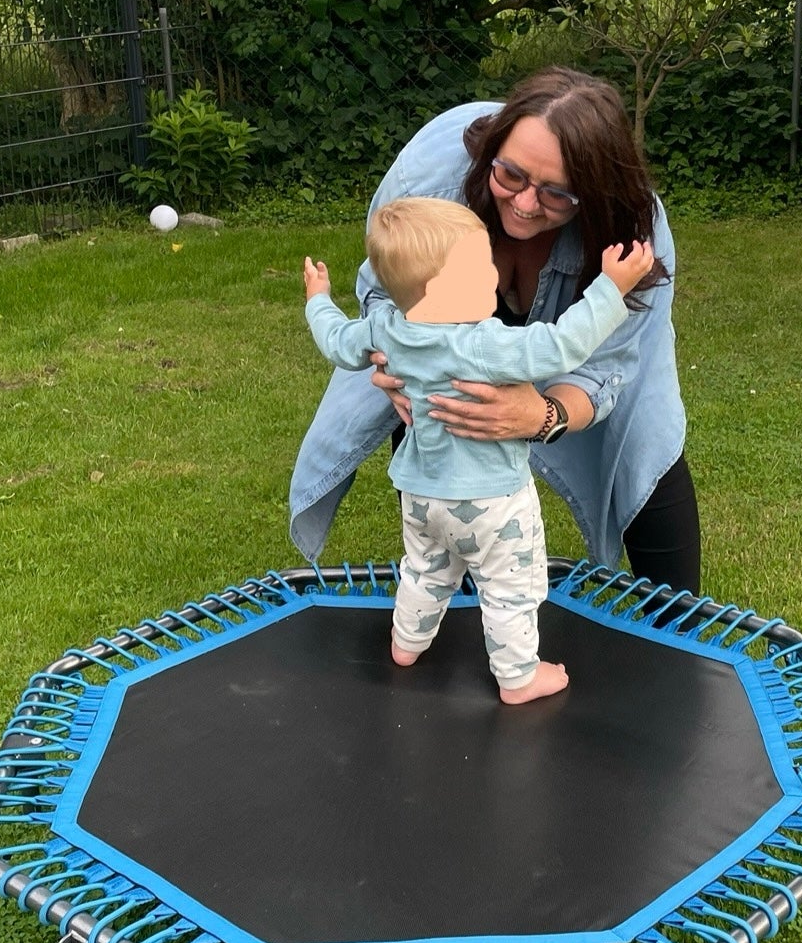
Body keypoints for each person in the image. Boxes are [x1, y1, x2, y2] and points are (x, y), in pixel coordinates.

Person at [290, 68, 701, 592]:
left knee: (643, 440)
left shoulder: (632, 237)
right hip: (443, 336)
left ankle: (678, 632)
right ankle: (449, 594)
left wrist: (543, 414)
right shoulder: (432, 179)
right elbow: (384, 291)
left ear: (593, 195)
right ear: (492, 152)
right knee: (429, 399)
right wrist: (394, 364)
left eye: (557, 195)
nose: (526, 204)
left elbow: (605, 364)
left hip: (589, 329)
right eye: (511, 176)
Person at [303, 196, 655, 702]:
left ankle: (406, 642)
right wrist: (610, 288)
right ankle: (518, 677)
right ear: (439, 289)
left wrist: (318, 296)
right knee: (511, 589)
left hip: (421, 497)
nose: (493, 274)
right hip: (493, 504)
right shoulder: (483, 344)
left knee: (424, 571)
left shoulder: (387, 329)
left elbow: (336, 340)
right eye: (478, 268)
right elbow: (563, 345)